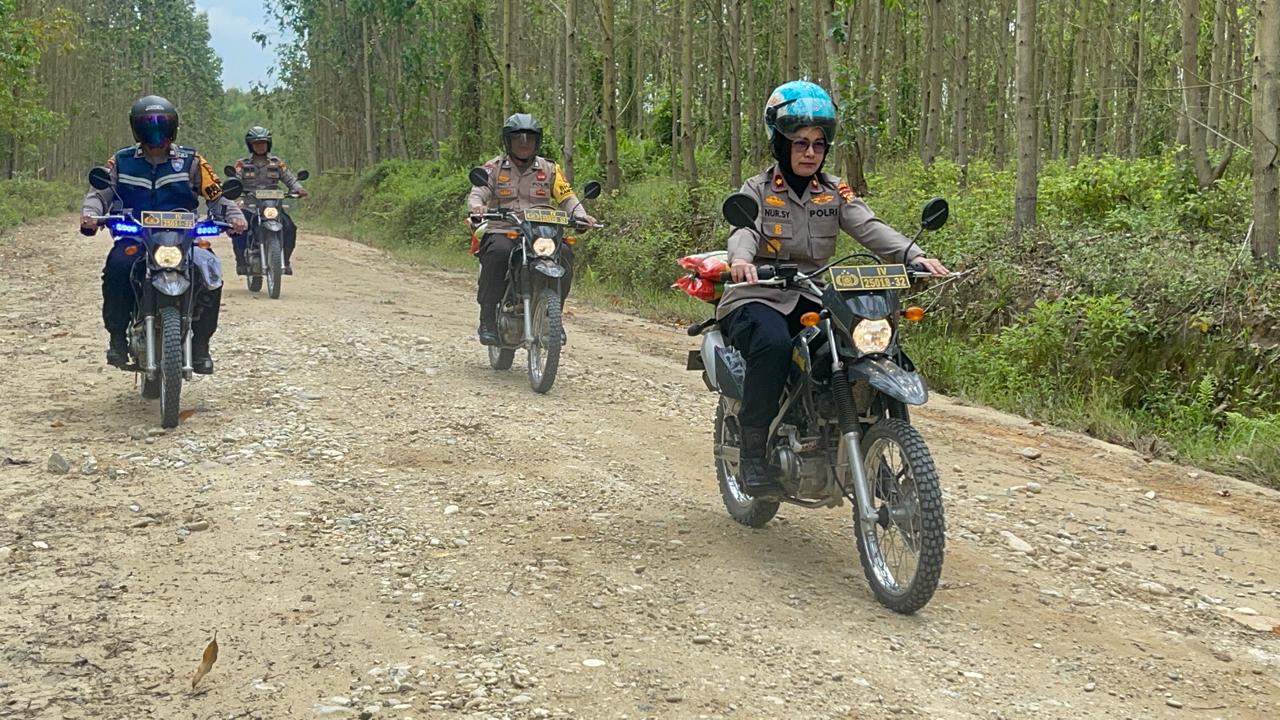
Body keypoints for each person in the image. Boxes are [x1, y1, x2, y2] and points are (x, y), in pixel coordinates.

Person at [716, 80, 951, 497]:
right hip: (758, 293)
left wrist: (914, 256)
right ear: (780, 144)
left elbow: (870, 228)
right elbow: (744, 231)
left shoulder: (834, 191)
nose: (810, 152)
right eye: (800, 143)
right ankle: (752, 456)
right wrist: (741, 262)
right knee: (772, 344)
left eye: (818, 144)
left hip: (811, 292)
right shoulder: (758, 189)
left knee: (861, 347)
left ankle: (871, 449)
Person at [80, 95, 247, 374]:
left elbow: (217, 196)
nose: (156, 133)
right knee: (118, 265)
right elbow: (99, 193)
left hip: (185, 237)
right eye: (148, 126)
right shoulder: (121, 160)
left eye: (162, 126)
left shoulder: (192, 160)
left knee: (209, 269)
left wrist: (235, 217)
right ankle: (117, 338)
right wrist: (90, 214)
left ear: (173, 128)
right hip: (137, 235)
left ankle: (201, 345)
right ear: (136, 129)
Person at [466, 113, 596, 345]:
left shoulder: (550, 169)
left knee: (565, 254)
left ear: (538, 141)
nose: (524, 143)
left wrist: (580, 215)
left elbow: (567, 197)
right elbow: (478, 192)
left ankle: (552, 318)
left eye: (530, 138)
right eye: (518, 138)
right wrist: (477, 207)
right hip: (504, 229)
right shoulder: (494, 168)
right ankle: (487, 318)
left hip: (540, 232)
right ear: (508, 141)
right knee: (497, 253)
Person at [229, 126, 308, 275]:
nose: (260, 146)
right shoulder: (242, 164)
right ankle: (241, 261)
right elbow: (234, 181)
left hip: (272, 205)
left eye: (263, 143)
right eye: (256, 143)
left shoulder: (277, 163)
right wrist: (233, 193)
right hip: (250, 205)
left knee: (290, 227)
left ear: (268, 144)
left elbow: (290, 179)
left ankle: (285, 261)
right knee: (239, 228)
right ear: (250, 145)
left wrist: (299, 189)